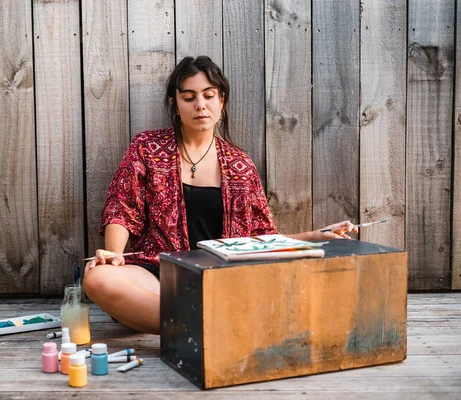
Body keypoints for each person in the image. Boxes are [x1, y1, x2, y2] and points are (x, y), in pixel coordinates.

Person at [82, 55, 357, 334]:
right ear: (174, 105)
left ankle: (186, 321)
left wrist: (317, 235)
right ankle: (211, 325)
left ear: (221, 101)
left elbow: (262, 239)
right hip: (157, 273)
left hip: (221, 278)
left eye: (208, 95)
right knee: (98, 278)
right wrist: (114, 255)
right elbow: (122, 208)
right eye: (188, 97)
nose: (200, 105)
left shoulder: (240, 165)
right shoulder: (147, 147)